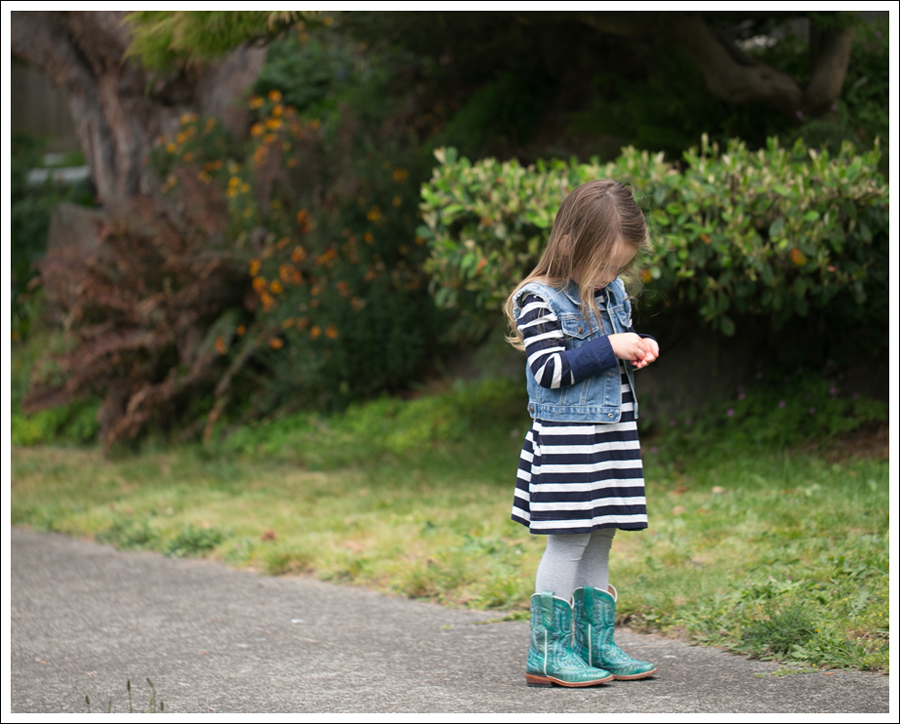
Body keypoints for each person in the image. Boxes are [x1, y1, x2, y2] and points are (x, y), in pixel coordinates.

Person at [504, 179, 660, 688]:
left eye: (620, 267)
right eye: (604, 265)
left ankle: (594, 644)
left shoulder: (611, 293)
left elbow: (613, 347)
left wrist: (638, 343)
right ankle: (548, 652)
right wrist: (612, 347)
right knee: (569, 541)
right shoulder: (538, 300)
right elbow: (549, 370)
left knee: (599, 538)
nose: (611, 276)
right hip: (568, 444)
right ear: (571, 244)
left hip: (610, 437)